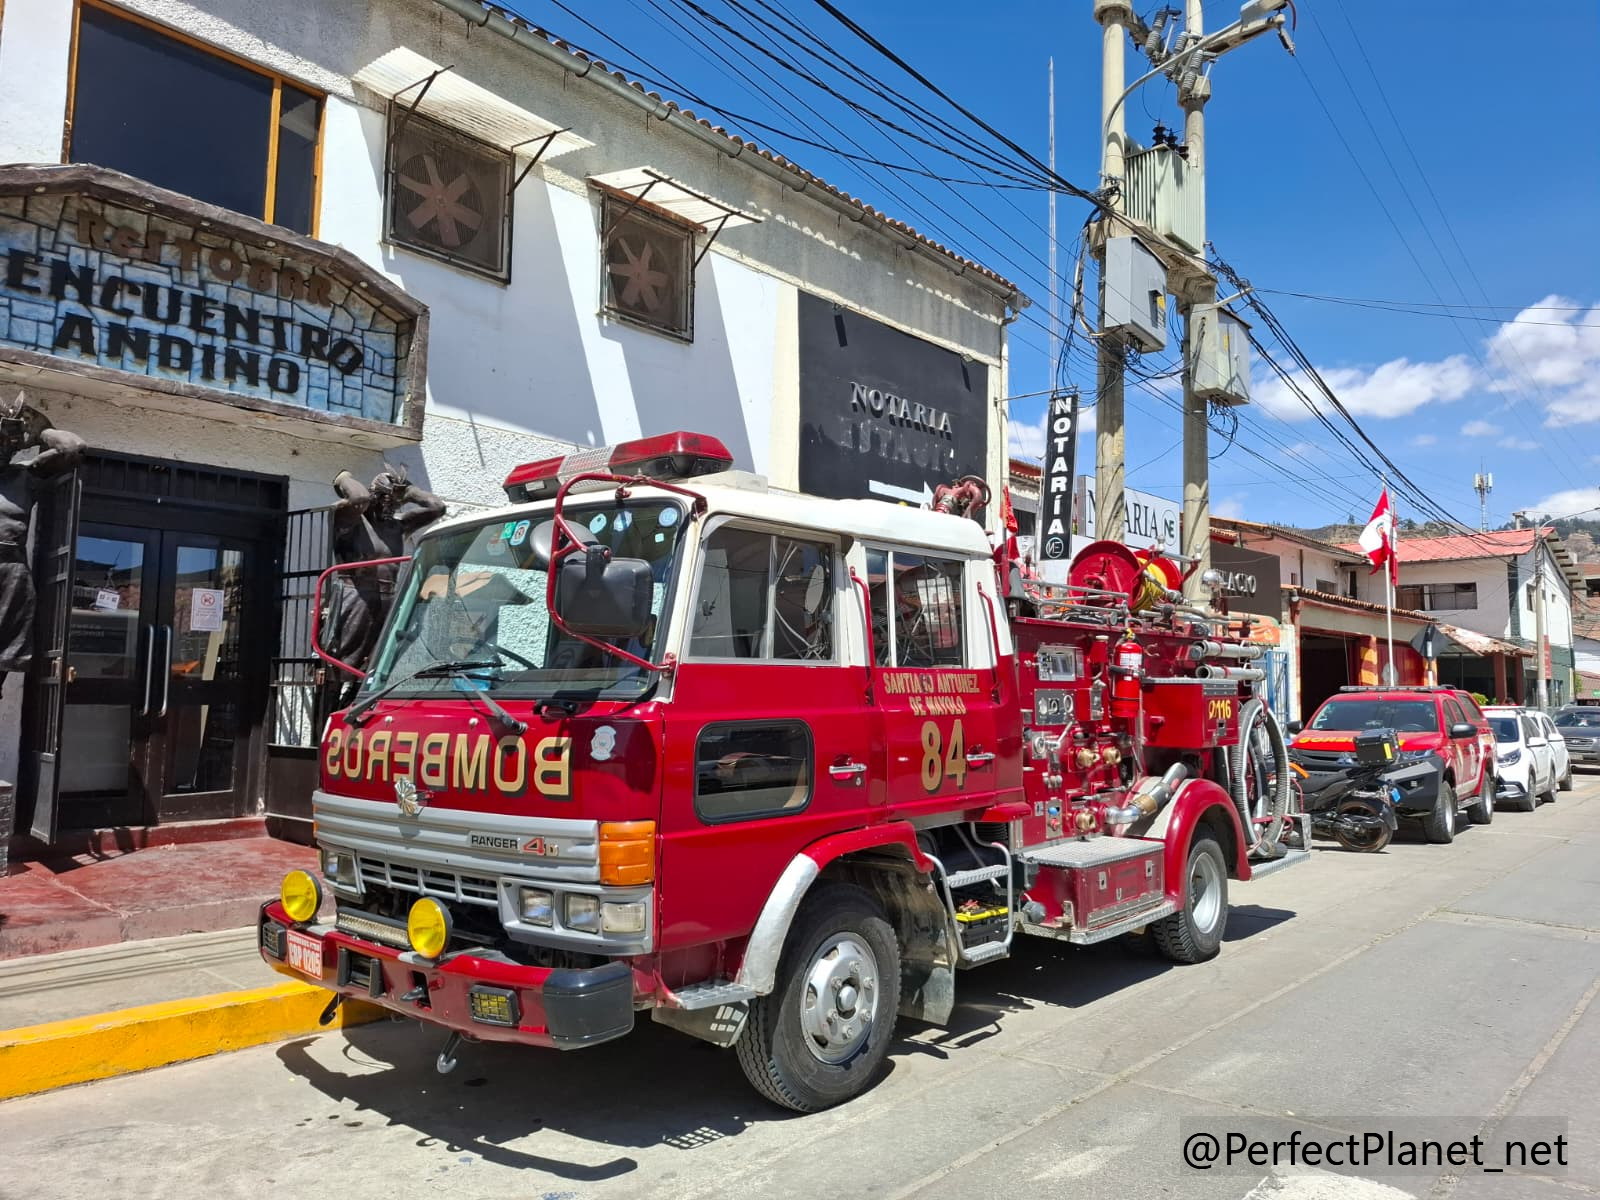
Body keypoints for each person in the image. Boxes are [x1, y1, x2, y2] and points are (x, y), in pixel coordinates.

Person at [321, 465, 445, 705]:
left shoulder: (399, 526)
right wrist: (343, 478)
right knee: (341, 668)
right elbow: (358, 498)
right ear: (374, 498)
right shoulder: (353, 520)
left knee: (380, 665)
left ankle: (359, 710)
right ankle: (325, 719)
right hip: (355, 596)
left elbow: (437, 507)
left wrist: (408, 491)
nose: (392, 507)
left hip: (388, 600)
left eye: (396, 503)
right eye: (386, 500)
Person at [0, 394, 84, 695]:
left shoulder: (24, 476)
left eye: (7, 440)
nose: (4, 446)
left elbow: (73, 447)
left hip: (10, 581)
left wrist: (38, 430)